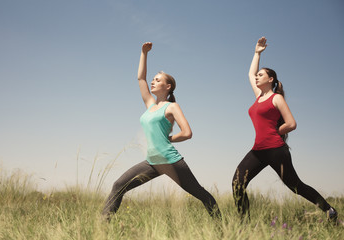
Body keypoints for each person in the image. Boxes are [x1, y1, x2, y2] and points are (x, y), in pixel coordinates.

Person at [102, 42, 220, 220]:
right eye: (153, 79)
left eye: (157, 80)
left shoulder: (172, 107)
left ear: (168, 86)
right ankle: (102, 228)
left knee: (201, 194)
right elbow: (141, 79)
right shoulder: (150, 105)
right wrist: (144, 53)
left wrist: (169, 139)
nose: (152, 82)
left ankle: (222, 228)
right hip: (152, 162)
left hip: (170, 160)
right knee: (119, 185)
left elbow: (187, 132)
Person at [232, 37, 338, 221]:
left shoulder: (276, 99)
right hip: (258, 150)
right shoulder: (258, 96)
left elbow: (291, 124)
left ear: (270, 79)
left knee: (295, 186)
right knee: (237, 182)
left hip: (275, 150)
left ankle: (329, 211)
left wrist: (275, 132)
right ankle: (244, 223)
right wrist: (257, 53)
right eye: (258, 75)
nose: (257, 77)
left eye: (261, 75)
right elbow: (250, 74)